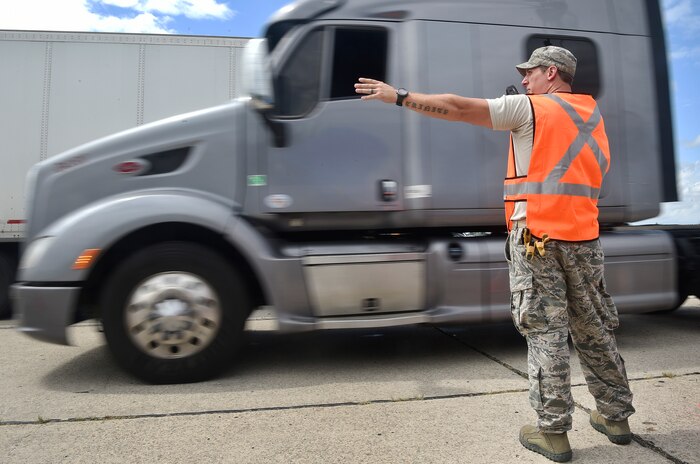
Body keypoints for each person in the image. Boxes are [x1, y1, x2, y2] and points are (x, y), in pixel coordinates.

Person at [354, 46, 635, 463]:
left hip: (536, 236)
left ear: (551, 73)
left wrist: (398, 96)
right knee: (594, 328)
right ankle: (615, 419)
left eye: (530, 73)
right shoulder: (591, 115)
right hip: (584, 238)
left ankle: (553, 434)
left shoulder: (529, 110)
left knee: (545, 333)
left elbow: (457, 108)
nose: (524, 81)